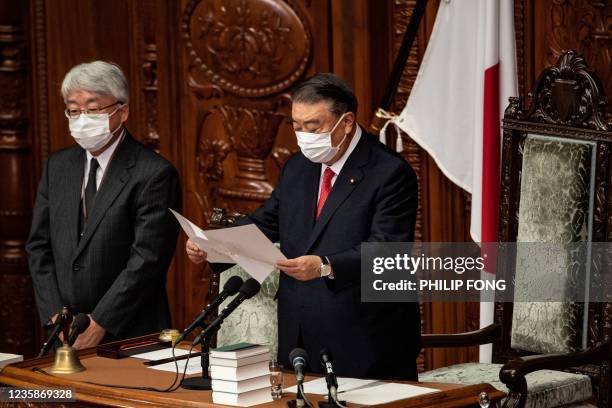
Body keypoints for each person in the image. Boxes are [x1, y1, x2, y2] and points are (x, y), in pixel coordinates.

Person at [186, 73, 421, 380]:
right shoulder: (298, 167)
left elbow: (387, 250)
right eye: (297, 126)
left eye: (313, 127)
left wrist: (325, 265)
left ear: (347, 122)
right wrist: (213, 244)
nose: (304, 136)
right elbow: (266, 222)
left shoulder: (390, 172)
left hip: (366, 341)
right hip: (299, 340)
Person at [26, 61, 181, 349]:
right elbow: (39, 246)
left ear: (122, 111)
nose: (82, 118)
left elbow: (148, 260)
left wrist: (101, 322)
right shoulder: (57, 166)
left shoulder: (154, 173)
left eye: (93, 109)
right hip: (63, 332)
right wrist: (55, 317)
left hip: (129, 333)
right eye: (73, 110)